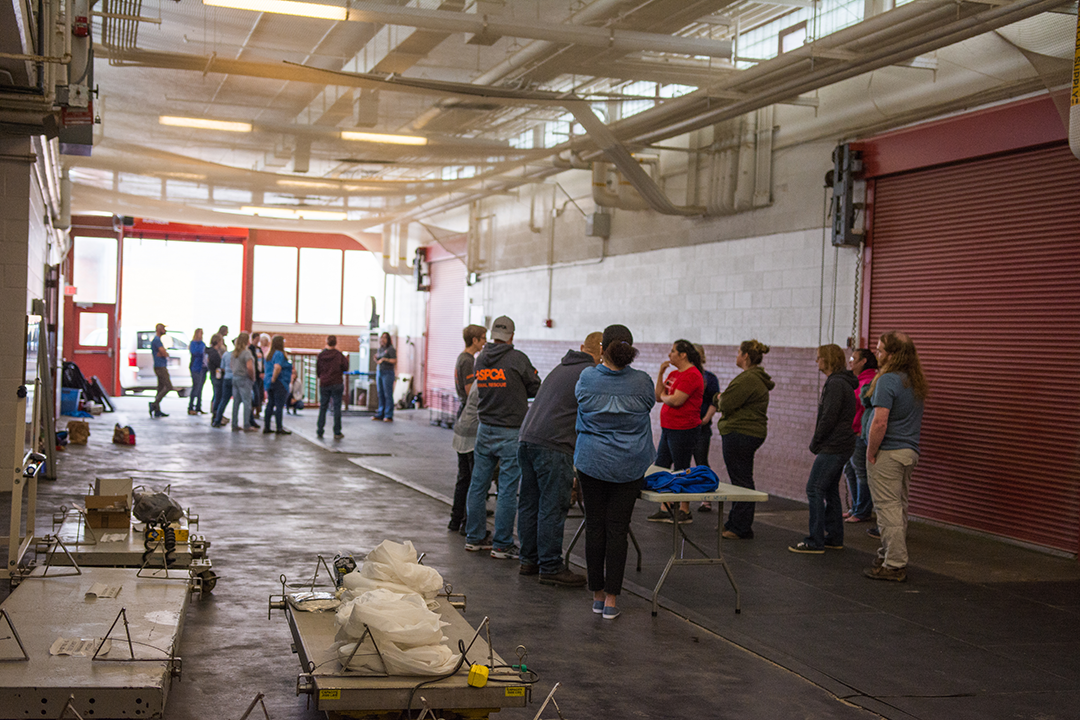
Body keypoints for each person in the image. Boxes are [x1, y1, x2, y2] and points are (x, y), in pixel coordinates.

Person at [574, 324, 654, 620]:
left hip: (592, 462)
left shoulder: (587, 377)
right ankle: (611, 601)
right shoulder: (643, 382)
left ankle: (595, 595)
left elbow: (580, 402)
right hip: (630, 465)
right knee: (617, 529)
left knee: (595, 526)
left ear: (601, 349)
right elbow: (647, 406)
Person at [517, 331, 602, 586]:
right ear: (603, 353)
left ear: (581, 347)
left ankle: (529, 560)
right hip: (553, 445)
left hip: (527, 439)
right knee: (553, 506)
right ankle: (551, 566)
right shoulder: (590, 374)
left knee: (530, 503)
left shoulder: (562, 367)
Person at [464, 316, 541, 559]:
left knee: (478, 485)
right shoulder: (517, 359)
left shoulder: (481, 359)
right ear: (512, 336)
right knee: (507, 488)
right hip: (511, 430)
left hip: (485, 428)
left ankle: (474, 538)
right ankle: (501, 544)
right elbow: (535, 386)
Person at [863, 331, 927, 582]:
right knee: (898, 508)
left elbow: (880, 422)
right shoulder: (913, 380)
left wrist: (871, 451)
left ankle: (895, 564)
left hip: (888, 453)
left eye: (879, 350)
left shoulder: (888, 380)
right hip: (909, 452)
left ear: (891, 355)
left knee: (886, 509)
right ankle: (886, 554)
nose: (876, 354)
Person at [789, 344, 857, 554]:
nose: (816, 361)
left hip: (834, 444)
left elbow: (829, 417)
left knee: (814, 488)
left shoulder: (835, 384)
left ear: (828, 360)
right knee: (829, 489)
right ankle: (834, 536)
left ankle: (815, 540)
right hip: (843, 443)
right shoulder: (842, 382)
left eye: (819, 358)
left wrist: (816, 441)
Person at [717, 339, 774, 540]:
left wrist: (719, 398)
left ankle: (740, 526)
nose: (737, 356)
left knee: (740, 481)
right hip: (749, 432)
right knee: (743, 478)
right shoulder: (753, 378)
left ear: (746, 356)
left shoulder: (748, 379)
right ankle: (737, 522)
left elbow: (725, 403)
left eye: (739, 352)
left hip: (740, 432)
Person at [649, 339, 704, 524]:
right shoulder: (673, 374)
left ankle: (685, 509)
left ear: (683, 354)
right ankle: (665, 507)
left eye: (672, 351)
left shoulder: (692, 375)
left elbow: (676, 400)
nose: (669, 354)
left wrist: (666, 397)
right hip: (669, 427)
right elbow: (658, 396)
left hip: (684, 429)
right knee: (662, 464)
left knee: (681, 467)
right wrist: (660, 373)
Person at [449, 324, 487, 532]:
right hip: (469, 419)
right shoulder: (468, 361)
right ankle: (465, 522)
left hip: (464, 417)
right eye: (483, 338)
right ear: (474, 340)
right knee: (470, 476)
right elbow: (471, 390)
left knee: (464, 475)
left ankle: (457, 518)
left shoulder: (463, 359)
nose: (485, 342)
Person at [844, 348, 879, 523]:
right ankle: (855, 506)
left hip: (859, 433)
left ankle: (862, 510)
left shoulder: (869, 381)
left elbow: (865, 409)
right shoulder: (856, 381)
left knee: (861, 472)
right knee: (849, 470)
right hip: (851, 432)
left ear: (863, 361)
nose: (850, 361)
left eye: (853, 358)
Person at [693, 344, 721, 513]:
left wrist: (706, 419)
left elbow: (714, 401)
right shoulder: (682, 376)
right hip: (686, 425)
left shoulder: (709, 378)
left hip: (701, 426)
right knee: (680, 463)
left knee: (701, 462)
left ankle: (706, 498)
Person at [316, 335, 349, 440]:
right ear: (335, 343)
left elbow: (318, 370)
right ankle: (337, 431)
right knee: (337, 408)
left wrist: (322, 377)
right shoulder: (339, 355)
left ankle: (320, 430)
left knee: (323, 407)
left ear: (326, 342)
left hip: (324, 383)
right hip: (336, 383)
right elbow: (345, 367)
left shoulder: (321, 355)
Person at [263, 334, 292, 435]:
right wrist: (274, 379)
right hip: (279, 381)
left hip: (268, 381)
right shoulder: (279, 354)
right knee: (279, 405)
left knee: (270, 403)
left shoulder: (269, 354)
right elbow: (277, 367)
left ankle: (267, 426)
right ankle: (279, 427)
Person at [230, 332, 257, 432]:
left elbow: (231, 365)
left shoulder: (234, 353)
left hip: (235, 377)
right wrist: (253, 377)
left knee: (236, 402)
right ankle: (246, 424)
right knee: (247, 402)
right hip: (244, 379)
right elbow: (250, 367)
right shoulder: (247, 353)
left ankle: (234, 423)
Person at [149, 323, 173, 418]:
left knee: (160, 387)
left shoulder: (158, 341)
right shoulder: (156, 340)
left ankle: (157, 409)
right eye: (163, 329)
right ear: (159, 329)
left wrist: (163, 353)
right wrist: (163, 352)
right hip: (160, 366)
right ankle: (154, 404)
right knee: (168, 386)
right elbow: (163, 353)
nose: (165, 331)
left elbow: (163, 353)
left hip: (160, 366)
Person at [373, 332, 397, 422]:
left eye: (385, 338)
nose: (382, 340)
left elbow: (394, 360)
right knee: (380, 393)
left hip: (388, 372)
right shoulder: (380, 349)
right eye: (381, 338)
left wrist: (385, 359)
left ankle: (388, 414)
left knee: (387, 394)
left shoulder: (391, 349)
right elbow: (378, 359)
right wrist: (376, 359)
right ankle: (380, 413)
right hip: (380, 371)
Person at [212, 334, 234, 428]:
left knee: (222, 398)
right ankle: (216, 417)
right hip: (222, 377)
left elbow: (222, 366)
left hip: (224, 377)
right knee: (219, 397)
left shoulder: (225, 354)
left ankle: (217, 418)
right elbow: (220, 367)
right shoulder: (215, 353)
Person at [187, 328, 207, 415]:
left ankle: (198, 406)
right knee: (195, 387)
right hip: (195, 367)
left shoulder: (203, 344)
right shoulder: (194, 344)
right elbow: (195, 352)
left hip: (202, 367)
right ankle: (191, 406)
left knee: (200, 388)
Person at [206, 333, 224, 423]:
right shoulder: (213, 353)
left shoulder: (213, 352)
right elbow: (219, 364)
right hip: (216, 376)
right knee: (218, 396)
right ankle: (216, 415)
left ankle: (216, 414)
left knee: (216, 395)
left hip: (214, 375)